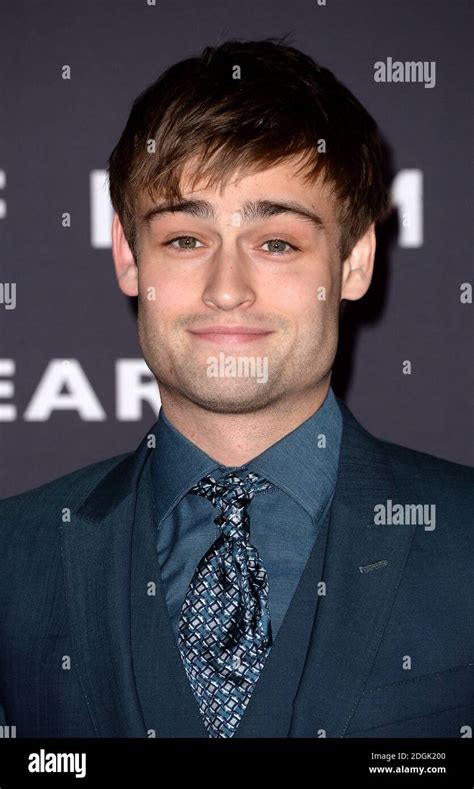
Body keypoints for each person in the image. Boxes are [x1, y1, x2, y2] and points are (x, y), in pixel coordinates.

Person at [0, 37, 472, 739]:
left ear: (355, 260)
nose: (227, 290)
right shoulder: (13, 556)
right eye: (186, 240)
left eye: (277, 242)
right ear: (129, 257)